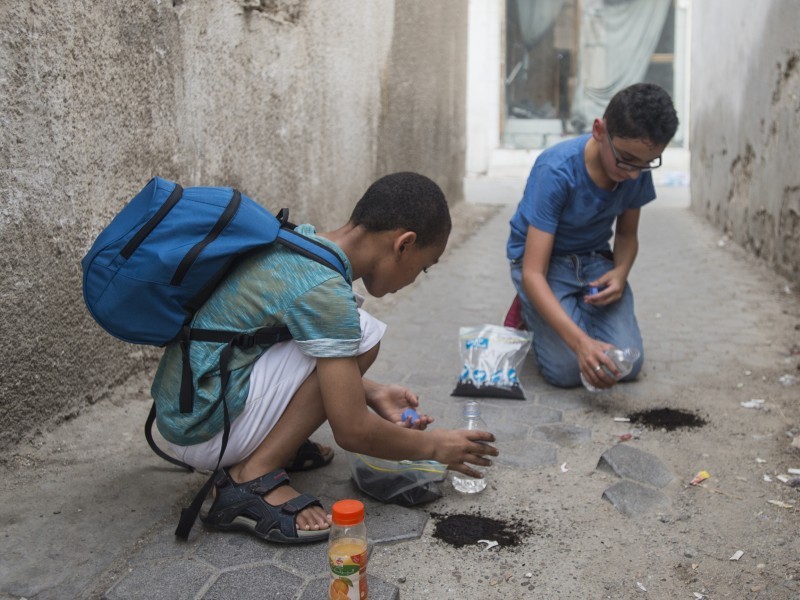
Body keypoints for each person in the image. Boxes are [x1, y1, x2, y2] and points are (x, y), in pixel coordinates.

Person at [151, 172, 498, 543]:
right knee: (363, 333)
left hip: (185, 405)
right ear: (404, 244)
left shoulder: (303, 241)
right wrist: (436, 447)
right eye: (424, 266)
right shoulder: (325, 291)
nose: (418, 277)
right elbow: (352, 431)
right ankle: (251, 476)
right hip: (203, 429)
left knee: (343, 333)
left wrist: (372, 391)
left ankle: (276, 442)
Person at [506, 82, 679, 390]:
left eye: (646, 164)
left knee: (628, 363)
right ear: (599, 130)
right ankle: (531, 309)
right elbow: (533, 272)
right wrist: (581, 343)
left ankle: (563, 314)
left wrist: (621, 272)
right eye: (626, 159)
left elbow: (627, 235)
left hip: (594, 261)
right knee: (568, 371)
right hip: (543, 266)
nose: (634, 174)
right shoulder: (556, 169)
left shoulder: (635, 170)